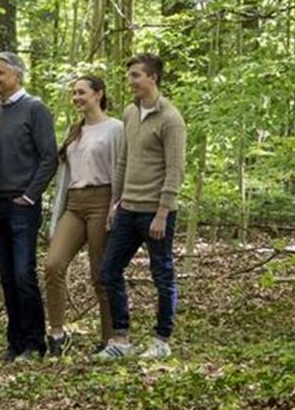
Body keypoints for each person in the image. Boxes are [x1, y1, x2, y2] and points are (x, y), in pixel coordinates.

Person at [96, 53, 187, 361]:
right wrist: (115, 202)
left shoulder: (171, 119)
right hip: (128, 208)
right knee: (109, 270)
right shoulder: (130, 114)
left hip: (155, 211)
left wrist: (163, 212)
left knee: (161, 273)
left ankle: (162, 339)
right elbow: (123, 160)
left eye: (136, 75)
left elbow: (175, 169)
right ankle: (120, 339)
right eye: (130, 75)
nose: (131, 81)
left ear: (153, 78)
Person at [0, 51, 57, 362]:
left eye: (0, 72)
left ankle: (34, 342)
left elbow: (49, 156)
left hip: (22, 205)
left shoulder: (35, 109)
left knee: (23, 273)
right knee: (6, 276)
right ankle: (14, 343)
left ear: (17, 76)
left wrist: (30, 195)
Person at [43, 75, 122, 358]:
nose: (76, 97)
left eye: (82, 92)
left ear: (98, 94)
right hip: (74, 204)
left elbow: (120, 171)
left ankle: (110, 338)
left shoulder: (115, 129)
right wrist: (56, 215)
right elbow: (65, 177)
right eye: (74, 93)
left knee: (100, 272)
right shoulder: (74, 130)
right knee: (53, 265)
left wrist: (117, 207)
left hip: (103, 200)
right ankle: (57, 333)